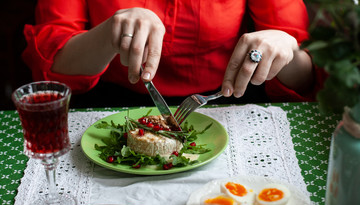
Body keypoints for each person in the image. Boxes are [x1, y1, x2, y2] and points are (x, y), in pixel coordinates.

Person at [22, 0, 323, 107]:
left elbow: (304, 77)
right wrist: (109, 33)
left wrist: (284, 46)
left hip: (230, 104)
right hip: (110, 105)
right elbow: (51, 66)